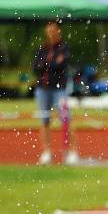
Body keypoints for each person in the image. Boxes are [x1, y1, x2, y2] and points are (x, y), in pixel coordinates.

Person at [32, 22, 76, 165]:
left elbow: (60, 65)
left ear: (58, 31)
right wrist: (49, 64)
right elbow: (35, 67)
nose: (51, 33)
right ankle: (46, 152)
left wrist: (45, 65)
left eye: (54, 30)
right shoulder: (42, 48)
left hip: (59, 88)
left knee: (65, 119)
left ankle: (71, 151)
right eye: (49, 31)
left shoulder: (64, 48)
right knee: (44, 120)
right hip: (42, 89)